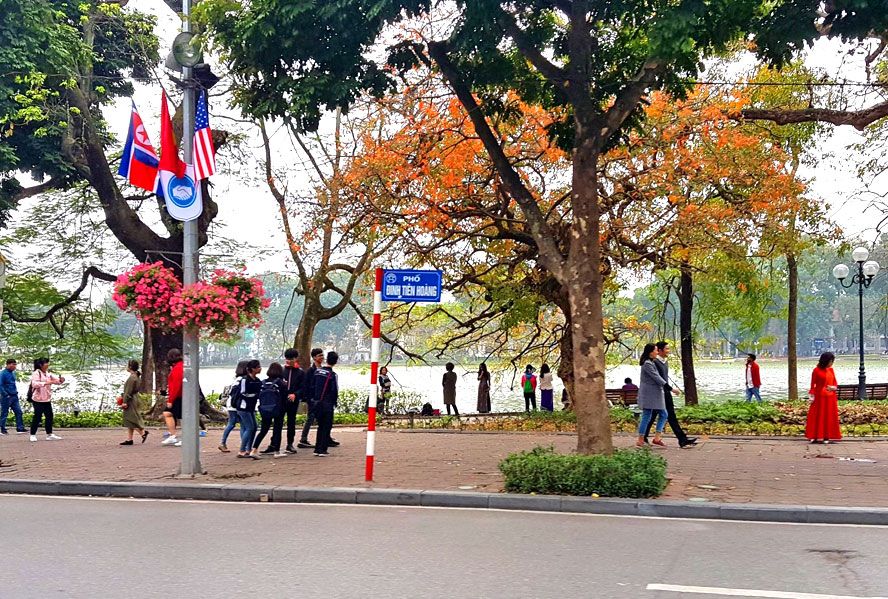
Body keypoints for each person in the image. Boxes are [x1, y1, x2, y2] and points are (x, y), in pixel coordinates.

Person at [644, 341, 696, 448]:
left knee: (669, 415)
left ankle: (682, 440)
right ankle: (644, 437)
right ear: (660, 350)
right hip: (658, 394)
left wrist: (668, 390)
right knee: (653, 416)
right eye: (666, 349)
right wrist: (671, 389)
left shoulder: (665, 362)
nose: (668, 351)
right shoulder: (654, 363)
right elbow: (658, 379)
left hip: (666, 393)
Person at [299, 348, 338, 448]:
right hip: (314, 399)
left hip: (323, 400)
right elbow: (307, 385)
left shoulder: (323, 370)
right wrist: (309, 399)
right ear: (314, 358)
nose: (322, 357)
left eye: (322, 355)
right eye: (319, 355)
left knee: (325, 420)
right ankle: (303, 439)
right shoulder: (311, 371)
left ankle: (326, 438)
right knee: (310, 418)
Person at [252, 362, 287, 457]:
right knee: (277, 430)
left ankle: (254, 450)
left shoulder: (263, 382)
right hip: (278, 409)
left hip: (265, 408)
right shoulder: (280, 382)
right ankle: (276, 451)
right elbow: (285, 396)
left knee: (263, 429)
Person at [636, 343, 668, 448]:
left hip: (654, 394)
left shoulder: (651, 362)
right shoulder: (647, 364)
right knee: (647, 415)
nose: (657, 352)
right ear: (650, 352)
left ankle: (655, 438)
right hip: (649, 395)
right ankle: (641, 439)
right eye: (655, 350)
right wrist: (669, 387)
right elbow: (656, 377)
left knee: (662, 414)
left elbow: (658, 375)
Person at [806, 352, 841, 444]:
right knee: (817, 416)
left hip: (830, 397)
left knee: (828, 416)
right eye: (831, 361)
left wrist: (833, 387)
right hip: (819, 397)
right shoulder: (816, 370)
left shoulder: (831, 370)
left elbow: (835, 383)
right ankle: (814, 435)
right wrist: (812, 395)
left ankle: (827, 436)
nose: (831, 363)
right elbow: (812, 384)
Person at [29, 357, 65, 442]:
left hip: (47, 399)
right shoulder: (36, 373)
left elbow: (55, 381)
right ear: (41, 365)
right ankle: (32, 434)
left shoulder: (48, 373)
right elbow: (34, 384)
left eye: (48, 363)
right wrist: (45, 383)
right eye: (46, 363)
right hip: (38, 399)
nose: (48, 365)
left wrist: (60, 381)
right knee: (37, 417)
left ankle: (49, 434)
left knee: (49, 416)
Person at [312, 351, 339, 456]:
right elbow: (334, 390)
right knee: (326, 426)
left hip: (317, 403)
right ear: (335, 362)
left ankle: (317, 448)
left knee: (320, 426)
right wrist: (334, 402)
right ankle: (322, 449)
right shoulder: (332, 375)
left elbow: (312, 386)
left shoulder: (317, 372)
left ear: (326, 359)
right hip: (327, 404)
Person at [278, 349, 304, 454]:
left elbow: (303, 387)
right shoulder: (281, 371)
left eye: (291, 359)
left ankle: (290, 444)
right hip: (281, 400)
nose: (289, 361)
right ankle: (274, 444)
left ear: (296, 359)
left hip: (293, 400)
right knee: (278, 422)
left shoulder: (300, 372)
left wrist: (295, 394)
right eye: (287, 359)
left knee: (291, 422)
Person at [218, 360, 248, 453]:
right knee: (243, 425)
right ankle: (244, 447)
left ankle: (223, 443)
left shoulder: (235, 379)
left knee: (231, 424)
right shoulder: (243, 379)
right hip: (238, 404)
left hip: (231, 404)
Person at [235, 360, 262, 459]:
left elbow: (260, 391)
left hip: (251, 407)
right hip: (243, 407)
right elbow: (243, 393)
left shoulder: (257, 380)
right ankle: (242, 450)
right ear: (252, 369)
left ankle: (249, 449)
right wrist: (254, 395)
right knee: (249, 428)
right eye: (258, 367)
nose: (260, 369)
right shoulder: (245, 380)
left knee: (254, 427)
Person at [119, 360, 148, 445]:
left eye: (127, 365)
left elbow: (128, 391)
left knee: (130, 418)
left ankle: (143, 433)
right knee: (130, 418)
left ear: (130, 367)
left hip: (131, 400)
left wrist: (125, 401)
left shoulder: (132, 378)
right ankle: (129, 439)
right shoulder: (136, 376)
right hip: (135, 398)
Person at [161, 349, 184, 446]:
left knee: (181, 417)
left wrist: (171, 400)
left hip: (179, 397)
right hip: (181, 396)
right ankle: (173, 435)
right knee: (169, 413)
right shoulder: (181, 366)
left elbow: (176, 385)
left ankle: (180, 437)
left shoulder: (178, 368)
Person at [0, 358, 25, 435]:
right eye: (13, 364)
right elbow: (0, 385)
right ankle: (2, 429)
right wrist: (5, 394)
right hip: (7, 396)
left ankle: (20, 428)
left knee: (19, 412)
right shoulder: (3, 374)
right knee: (4, 413)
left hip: (14, 395)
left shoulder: (13, 373)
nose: (14, 366)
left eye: (15, 364)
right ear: (8, 364)